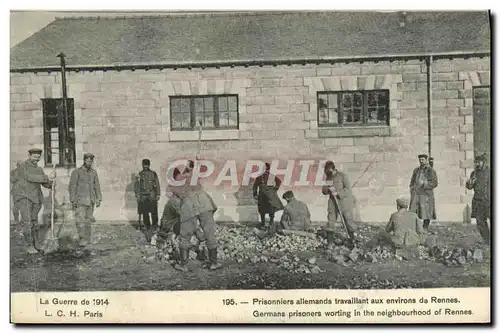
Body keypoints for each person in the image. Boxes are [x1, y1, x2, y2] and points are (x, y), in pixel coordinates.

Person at [170, 160, 220, 271]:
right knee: (209, 233)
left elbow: (176, 203)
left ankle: (183, 265)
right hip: (204, 203)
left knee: (185, 236)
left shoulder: (175, 182)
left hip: (188, 206)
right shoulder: (193, 175)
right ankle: (214, 263)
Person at [12, 149, 55, 254]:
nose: (36, 159)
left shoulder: (39, 169)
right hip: (24, 197)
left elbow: (43, 182)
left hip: (36, 198)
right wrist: (46, 177)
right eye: (34, 157)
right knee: (27, 222)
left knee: (35, 222)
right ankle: (29, 245)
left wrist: (51, 183)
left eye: (38, 157)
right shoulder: (22, 167)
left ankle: (37, 244)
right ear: (29, 156)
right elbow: (30, 177)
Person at [69, 153, 102, 252]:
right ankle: (82, 238)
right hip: (80, 201)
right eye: (87, 161)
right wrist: (73, 200)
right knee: (80, 221)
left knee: (88, 220)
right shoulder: (77, 172)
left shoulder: (93, 172)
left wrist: (98, 198)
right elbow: (72, 187)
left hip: (90, 200)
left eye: (91, 161)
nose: (89, 163)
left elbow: (97, 186)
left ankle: (87, 238)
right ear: (84, 161)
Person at [322, 160, 356, 239]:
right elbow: (323, 191)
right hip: (332, 203)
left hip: (343, 203)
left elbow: (348, 190)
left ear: (333, 168)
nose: (328, 173)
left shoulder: (342, 176)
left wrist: (337, 193)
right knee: (330, 221)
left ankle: (352, 239)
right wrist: (328, 189)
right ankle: (330, 242)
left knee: (348, 221)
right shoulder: (328, 177)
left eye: (329, 170)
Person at [466, 154, 490, 244]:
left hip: (489, 200)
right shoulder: (474, 173)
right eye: (475, 162)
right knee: (480, 221)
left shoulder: (490, 172)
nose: (477, 164)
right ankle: (487, 240)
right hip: (478, 201)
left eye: (478, 162)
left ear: (483, 162)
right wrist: (469, 183)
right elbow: (469, 187)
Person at [409, 154, 438, 231]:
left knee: (426, 213)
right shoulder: (416, 170)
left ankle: (425, 228)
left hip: (426, 195)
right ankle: (415, 228)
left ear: (426, 160)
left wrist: (425, 184)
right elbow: (412, 181)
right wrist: (412, 188)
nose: (421, 161)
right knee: (414, 211)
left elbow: (434, 183)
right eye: (420, 160)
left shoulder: (430, 170)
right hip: (416, 194)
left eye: (423, 160)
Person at [134, 159, 161, 242]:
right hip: (143, 197)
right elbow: (137, 186)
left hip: (152, 196)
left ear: (149, 165)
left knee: (154, 213)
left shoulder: (153, 174)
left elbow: (157, 184)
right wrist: (138, 195)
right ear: (142, 165)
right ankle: (148, 228)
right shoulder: (139, 174)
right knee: (145, 214)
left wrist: (158, 194)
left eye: (147, 165)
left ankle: (154, 227)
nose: (145, 166)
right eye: (144, 165)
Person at [252, 163, 284, 228]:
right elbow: (255, 186)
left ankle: (271, 223)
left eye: (267, 169)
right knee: (262, 210)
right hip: (262, 196)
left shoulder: (271, 176)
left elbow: (279, 182)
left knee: (271, 209)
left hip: (270, 196)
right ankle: (263, 223)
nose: (266, 171)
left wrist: (275, 190)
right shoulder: (259, 177)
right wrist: (255, 194)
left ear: (268, 169)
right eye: (264, 169)